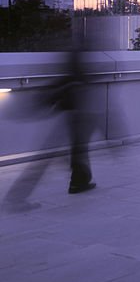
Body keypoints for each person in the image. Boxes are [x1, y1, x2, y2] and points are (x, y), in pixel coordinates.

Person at [53, 37, 98, 194]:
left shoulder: (71, 59)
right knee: (80, 147)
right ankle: (79, 180)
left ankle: (79, 179)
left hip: (73, 110)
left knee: (78, 146)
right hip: (81, 111)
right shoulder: (81, 62)